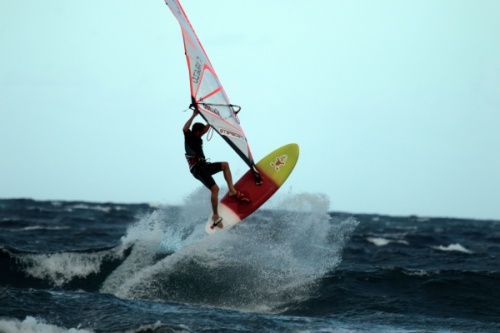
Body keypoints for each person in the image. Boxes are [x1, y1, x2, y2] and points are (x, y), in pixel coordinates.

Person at [183, 109, 250, 229]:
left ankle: (232, 190)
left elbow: (208, 126)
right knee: (215, 189)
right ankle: (215, 215)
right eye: (203, 130)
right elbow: (185, 129)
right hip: (197, 169)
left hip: (203, 166)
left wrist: (220, 116)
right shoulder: (190, 137)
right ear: (197, 131)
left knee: (225, 165)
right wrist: (194, 115)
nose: (205, 131)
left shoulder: (198, 138)